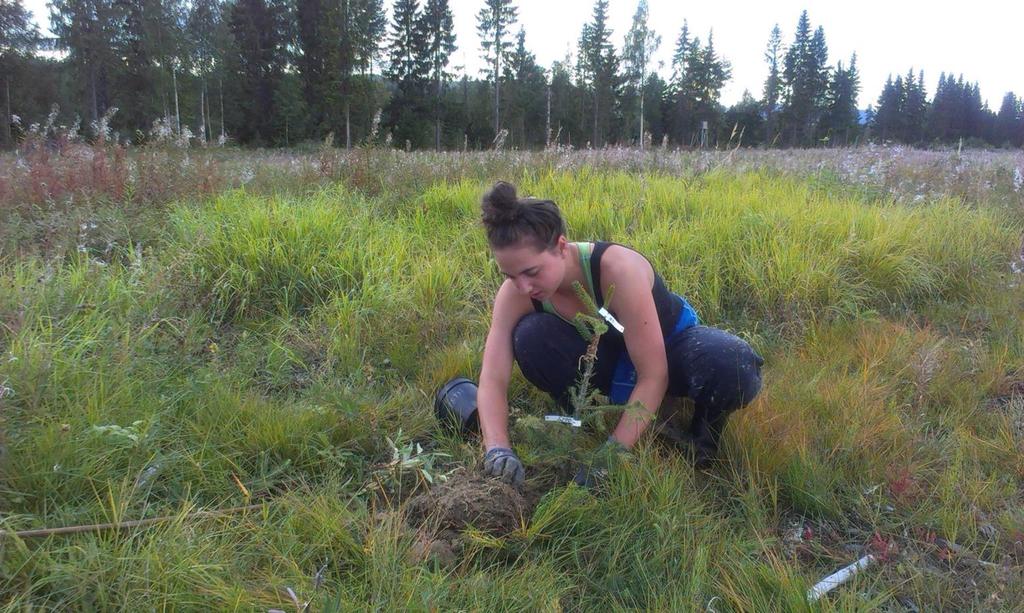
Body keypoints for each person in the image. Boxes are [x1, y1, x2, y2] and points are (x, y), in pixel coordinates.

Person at [475, 181, 763, 489]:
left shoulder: (618, 270)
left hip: (668, 347)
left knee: (731, 361)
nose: (523, 287)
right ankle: (589, 413)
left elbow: (654, 374)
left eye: (531, 272)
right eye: (510, 276)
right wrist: (497, 448)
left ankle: (700, 437)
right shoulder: (516, 294)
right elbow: (492, 379)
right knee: (530, 337)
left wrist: (608, 459)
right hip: (608, 358)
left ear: (561, 246)